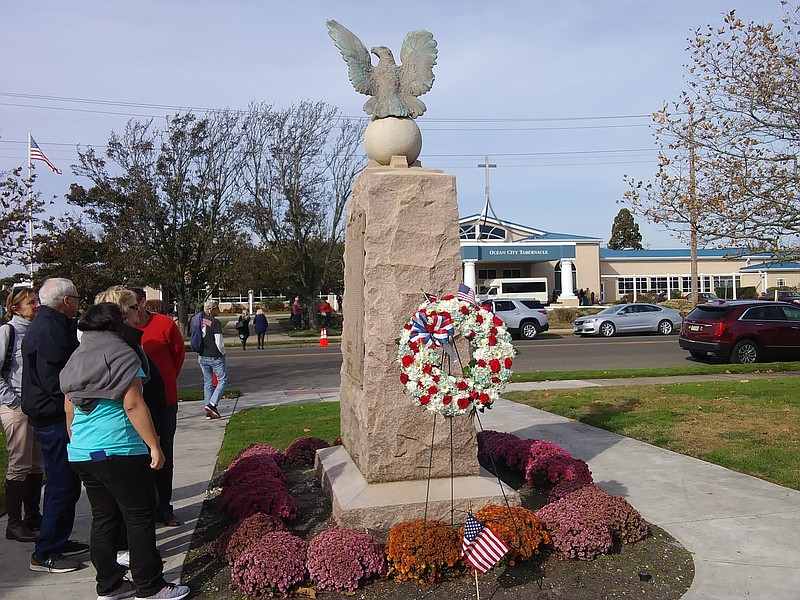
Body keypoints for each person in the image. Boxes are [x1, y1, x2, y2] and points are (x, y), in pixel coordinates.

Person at [61, 302, 190, 600]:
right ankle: (150, 586)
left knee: (103, 518)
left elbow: (69, 407)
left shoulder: (77, 357)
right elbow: (132, 404)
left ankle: (110, 585)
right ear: (115, 325)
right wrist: (155, 446)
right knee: (139, 517)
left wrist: (75, 440)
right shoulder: (122, 353)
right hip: (120, 449)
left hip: (83, 451)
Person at [21, 278, 87, 573]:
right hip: (52, 416)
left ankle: (57, 539)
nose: (78, 302)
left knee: (69, 483)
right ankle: (45, 551)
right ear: (65, 301)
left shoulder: (54, 324)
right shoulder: (48, 329)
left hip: (53, 414)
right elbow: (54, 380)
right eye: (75, 297)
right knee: (61, 483)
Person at [131, 287, 185, 527]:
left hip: (163, 401)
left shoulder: (164, 324)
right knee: (139, 458)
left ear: (143, 303)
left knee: (164, 454)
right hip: (134, 402)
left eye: (133, 304)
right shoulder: (122, 329)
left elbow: (178, 355)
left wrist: (167, 380)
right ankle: (144, 510)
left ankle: (164, 508)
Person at [0, 287, 44, 543]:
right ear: (15, 308)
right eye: (31, 303)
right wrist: (13, 401)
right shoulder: (9, 331)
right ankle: (14, 523)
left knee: (36, 463)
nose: (36, 306)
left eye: (37, 301)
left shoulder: (35, 331)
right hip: (16, 406)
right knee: (19, 463)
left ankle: (33, 515)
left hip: (34, 406)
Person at [193, 299, 226, 420]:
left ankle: (208, 410)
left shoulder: (199, 320)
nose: (218, 310)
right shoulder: (215, 322)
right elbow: (219, 342)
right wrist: (223, 353)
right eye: (217, 307)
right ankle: (212, 404)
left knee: (208, 383)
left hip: (202, 355)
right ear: (211, 309)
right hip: (215, 356)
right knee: (222, 380)